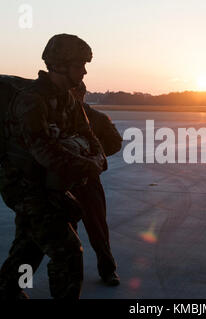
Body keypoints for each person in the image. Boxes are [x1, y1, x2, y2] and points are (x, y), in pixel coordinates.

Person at [0, 34, 105, 299]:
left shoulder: (68, 101)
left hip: (49, 186)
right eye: (79, 64)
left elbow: (89, 137)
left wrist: (97, 159)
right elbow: (45, 152)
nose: (85, 71)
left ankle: (6, 293)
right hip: (24, 187)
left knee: (28, 248)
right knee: (68, 253)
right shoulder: (31, 101)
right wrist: (87, 166)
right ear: (60, 65)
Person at [70, 81, 122, 286]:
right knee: (68, 231)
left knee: (97, 228)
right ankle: (74, 274)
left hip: (87, 181)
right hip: (66, 181)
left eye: (75, 91)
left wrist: (95, 156)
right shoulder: (58, 115)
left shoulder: (95, 118)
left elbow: (115, 142)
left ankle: (107, 270)